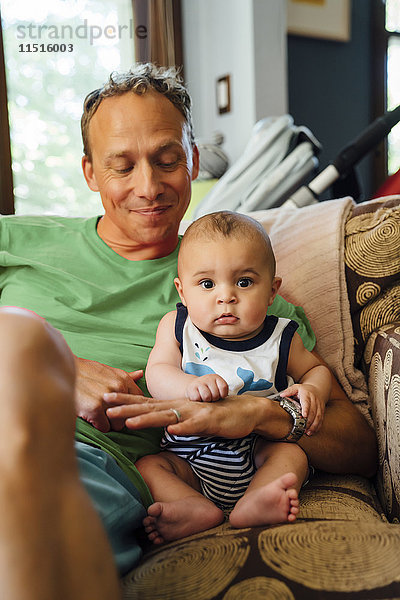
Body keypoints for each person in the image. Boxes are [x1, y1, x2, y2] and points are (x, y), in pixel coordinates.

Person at [0, 63, 376, 600]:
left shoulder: (241, 294)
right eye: (122, 166)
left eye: (167, 160)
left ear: (193, 161)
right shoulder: (16, 240)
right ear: (89, 172)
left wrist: (259, 412)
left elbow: (359, 446)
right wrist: (53, 366)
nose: (148, 187)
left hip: (88, 463)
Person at [136, 211, 332, 544]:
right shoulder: (177, 326)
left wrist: (312, 389)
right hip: (189, 456)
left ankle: (258, 498)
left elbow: (317, 369)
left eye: (244, 282)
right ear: (183, 292)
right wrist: (189, 386)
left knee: (292, 456)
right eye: (207, 284)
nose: (225, 296)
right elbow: (157, 372)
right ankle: (192, 506)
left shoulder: (282, 336)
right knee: (150, 466)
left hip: (259, 448)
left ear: (272, 292)